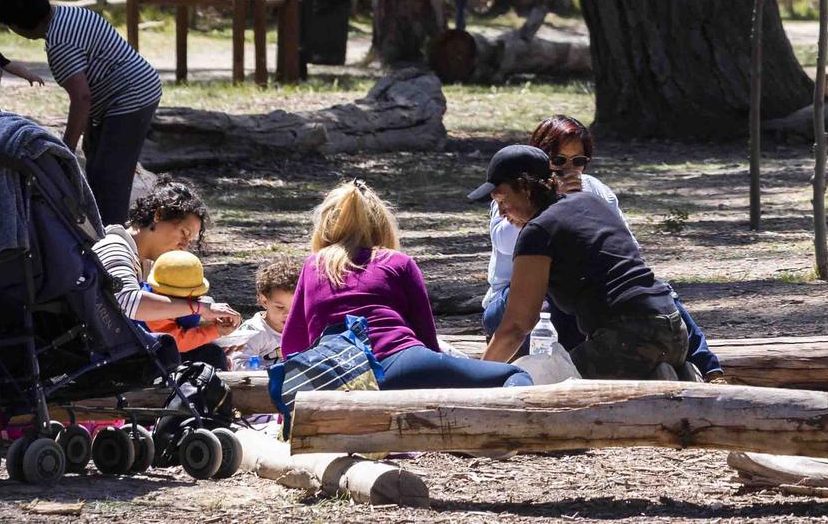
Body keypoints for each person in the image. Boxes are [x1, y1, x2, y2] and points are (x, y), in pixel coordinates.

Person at [481, 116, 724, 379]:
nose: (502, 211)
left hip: (627, 341)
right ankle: (665, 373)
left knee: (545, 383)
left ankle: (649, 373)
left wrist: (476, 378)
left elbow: (517, 325)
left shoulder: (538, 230)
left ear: (526, 188)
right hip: (674, 332)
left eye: (502, 200)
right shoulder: (590, 201)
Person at [286, 180, 529, 389]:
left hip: (336, 370)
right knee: (513, 374)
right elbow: (426, 336)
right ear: (382, 225)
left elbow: (293, 342)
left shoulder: (314, 265)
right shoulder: (398, 262)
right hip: (403, 361)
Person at [0, 0, 163, 225]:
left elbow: (82, 99)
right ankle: (101, 227)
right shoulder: (68, 14)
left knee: (108, 178)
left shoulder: (60, 44)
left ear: (19, 24)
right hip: (122, 93)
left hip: (130, 97)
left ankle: (112, 242)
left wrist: (65, 149)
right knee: (96, 163)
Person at [92, 182, 244, 365]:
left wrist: (210, 327)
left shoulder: (146, 262)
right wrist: (199, 308)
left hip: (124, 347)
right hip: (105, 355)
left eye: (189, 241)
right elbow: (129, 303)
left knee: (209, 351)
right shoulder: (115, 247)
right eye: (183, 233)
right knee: (209, 358)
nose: (184, 246)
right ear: (159, 215)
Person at [143, 250, 238, 363]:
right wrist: (215, 331)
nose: (192, 301)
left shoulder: (162, 295)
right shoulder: (153, 309)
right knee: (212, 355)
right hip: (151, 355)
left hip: (168, 350)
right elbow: (177, 342)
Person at [224, 259, 297, 370]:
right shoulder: (253, 331)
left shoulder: (300, 328)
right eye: (280, 307)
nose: (288, 314)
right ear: (264, 301)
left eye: (295, 307)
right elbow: (238, 365)